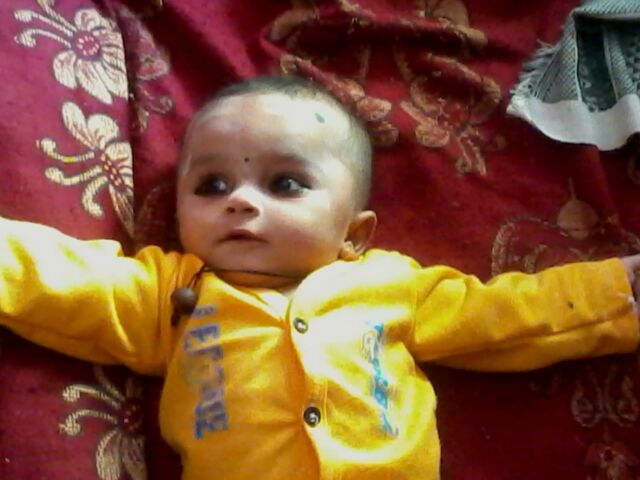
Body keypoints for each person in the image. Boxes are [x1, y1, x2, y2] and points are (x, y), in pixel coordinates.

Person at [1, 75, 639, 480]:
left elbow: (503, 315)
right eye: (212, 184)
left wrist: (617, 294)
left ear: (353, 235)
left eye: (284, 184)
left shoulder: (392, 287)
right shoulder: (170, 295)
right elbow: (65, 280)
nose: (239, 201)